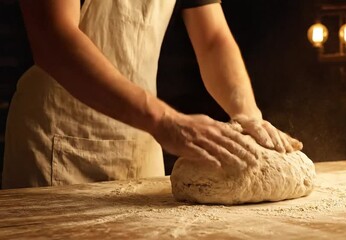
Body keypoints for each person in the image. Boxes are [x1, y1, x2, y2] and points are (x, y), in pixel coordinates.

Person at [2, 0, 302, 189]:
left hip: (141, 142)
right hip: (57, 143)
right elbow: (53, 37)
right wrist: (163, 119)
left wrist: (246, 114)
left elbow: (212, 38)